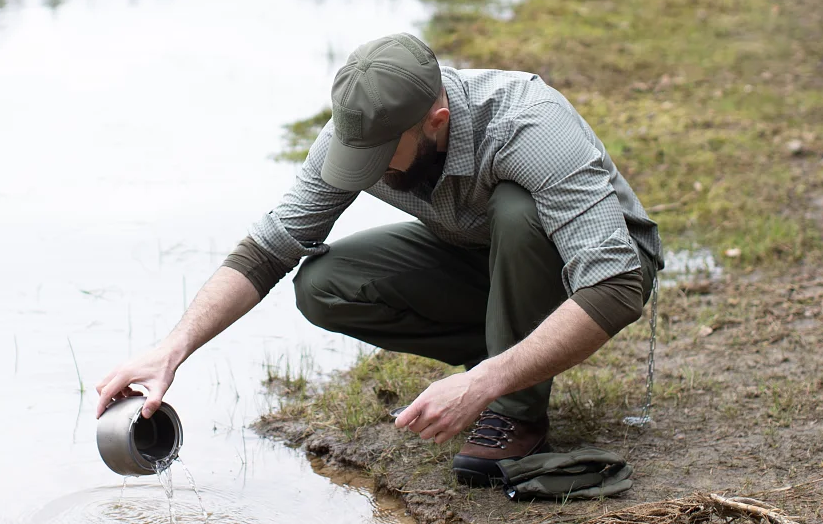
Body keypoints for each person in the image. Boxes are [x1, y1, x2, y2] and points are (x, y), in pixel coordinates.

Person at [94, 32, 662, 486]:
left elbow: (613, 284)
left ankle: (514, 404)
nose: (366, 172)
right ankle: (506, 351)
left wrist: (484, 384)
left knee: (516, 210)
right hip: (483, 259)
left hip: (585, 270)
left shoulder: (529, 125)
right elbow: (268, 249)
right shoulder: (360, 136)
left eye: (381, 157)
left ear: (435, 119)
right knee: (325, 282)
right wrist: (173, 348)